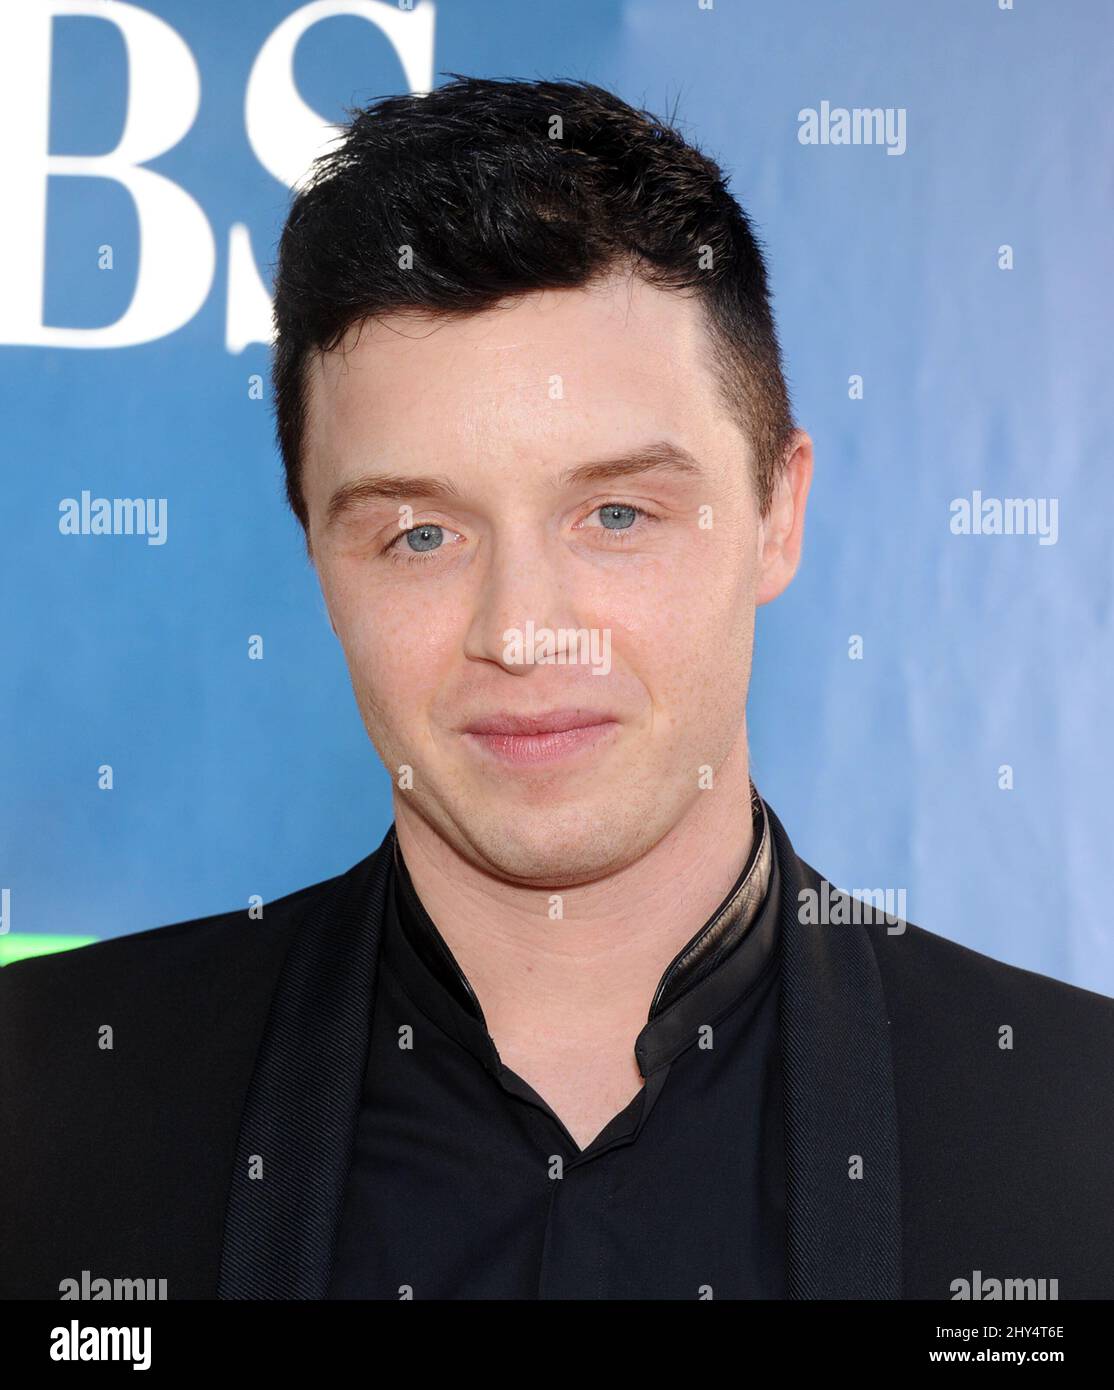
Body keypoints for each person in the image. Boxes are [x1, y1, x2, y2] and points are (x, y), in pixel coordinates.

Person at [3, 75, 1112, 1301]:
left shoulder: (1078, 1133)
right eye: (420, 535)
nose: (523, 634)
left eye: (618, 513)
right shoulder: (39, 1107)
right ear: (317, 555)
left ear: (777, 513)